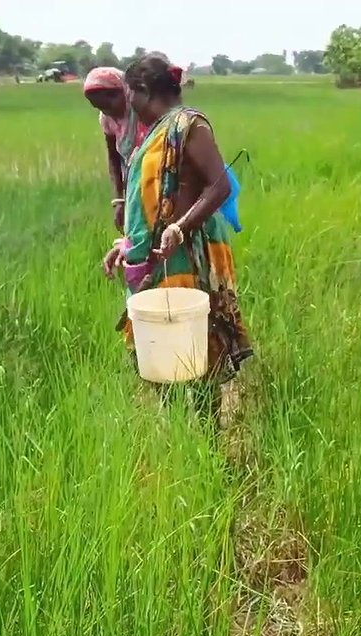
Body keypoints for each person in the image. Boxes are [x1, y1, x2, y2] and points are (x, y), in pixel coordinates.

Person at [103, 54, 253, 387]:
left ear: (143, 90)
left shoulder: (189, 125)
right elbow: (150, 201)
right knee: (162, 359)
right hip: (159, 255)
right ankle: (176, 435)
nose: (131, 107)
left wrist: (179, 228)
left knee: (197, 357)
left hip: (189, 252)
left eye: (131, 98)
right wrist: (127, 244)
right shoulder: (155, 132)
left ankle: (209, 434)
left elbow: (220, 185)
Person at [83, 67, 149, 231]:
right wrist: (120, 200)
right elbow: (113, 157)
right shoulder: (107, 118)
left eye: (109, 104)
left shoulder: (143, 111)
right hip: (133, 184)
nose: (107, 111)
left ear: (124, 91)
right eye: (99, 107)